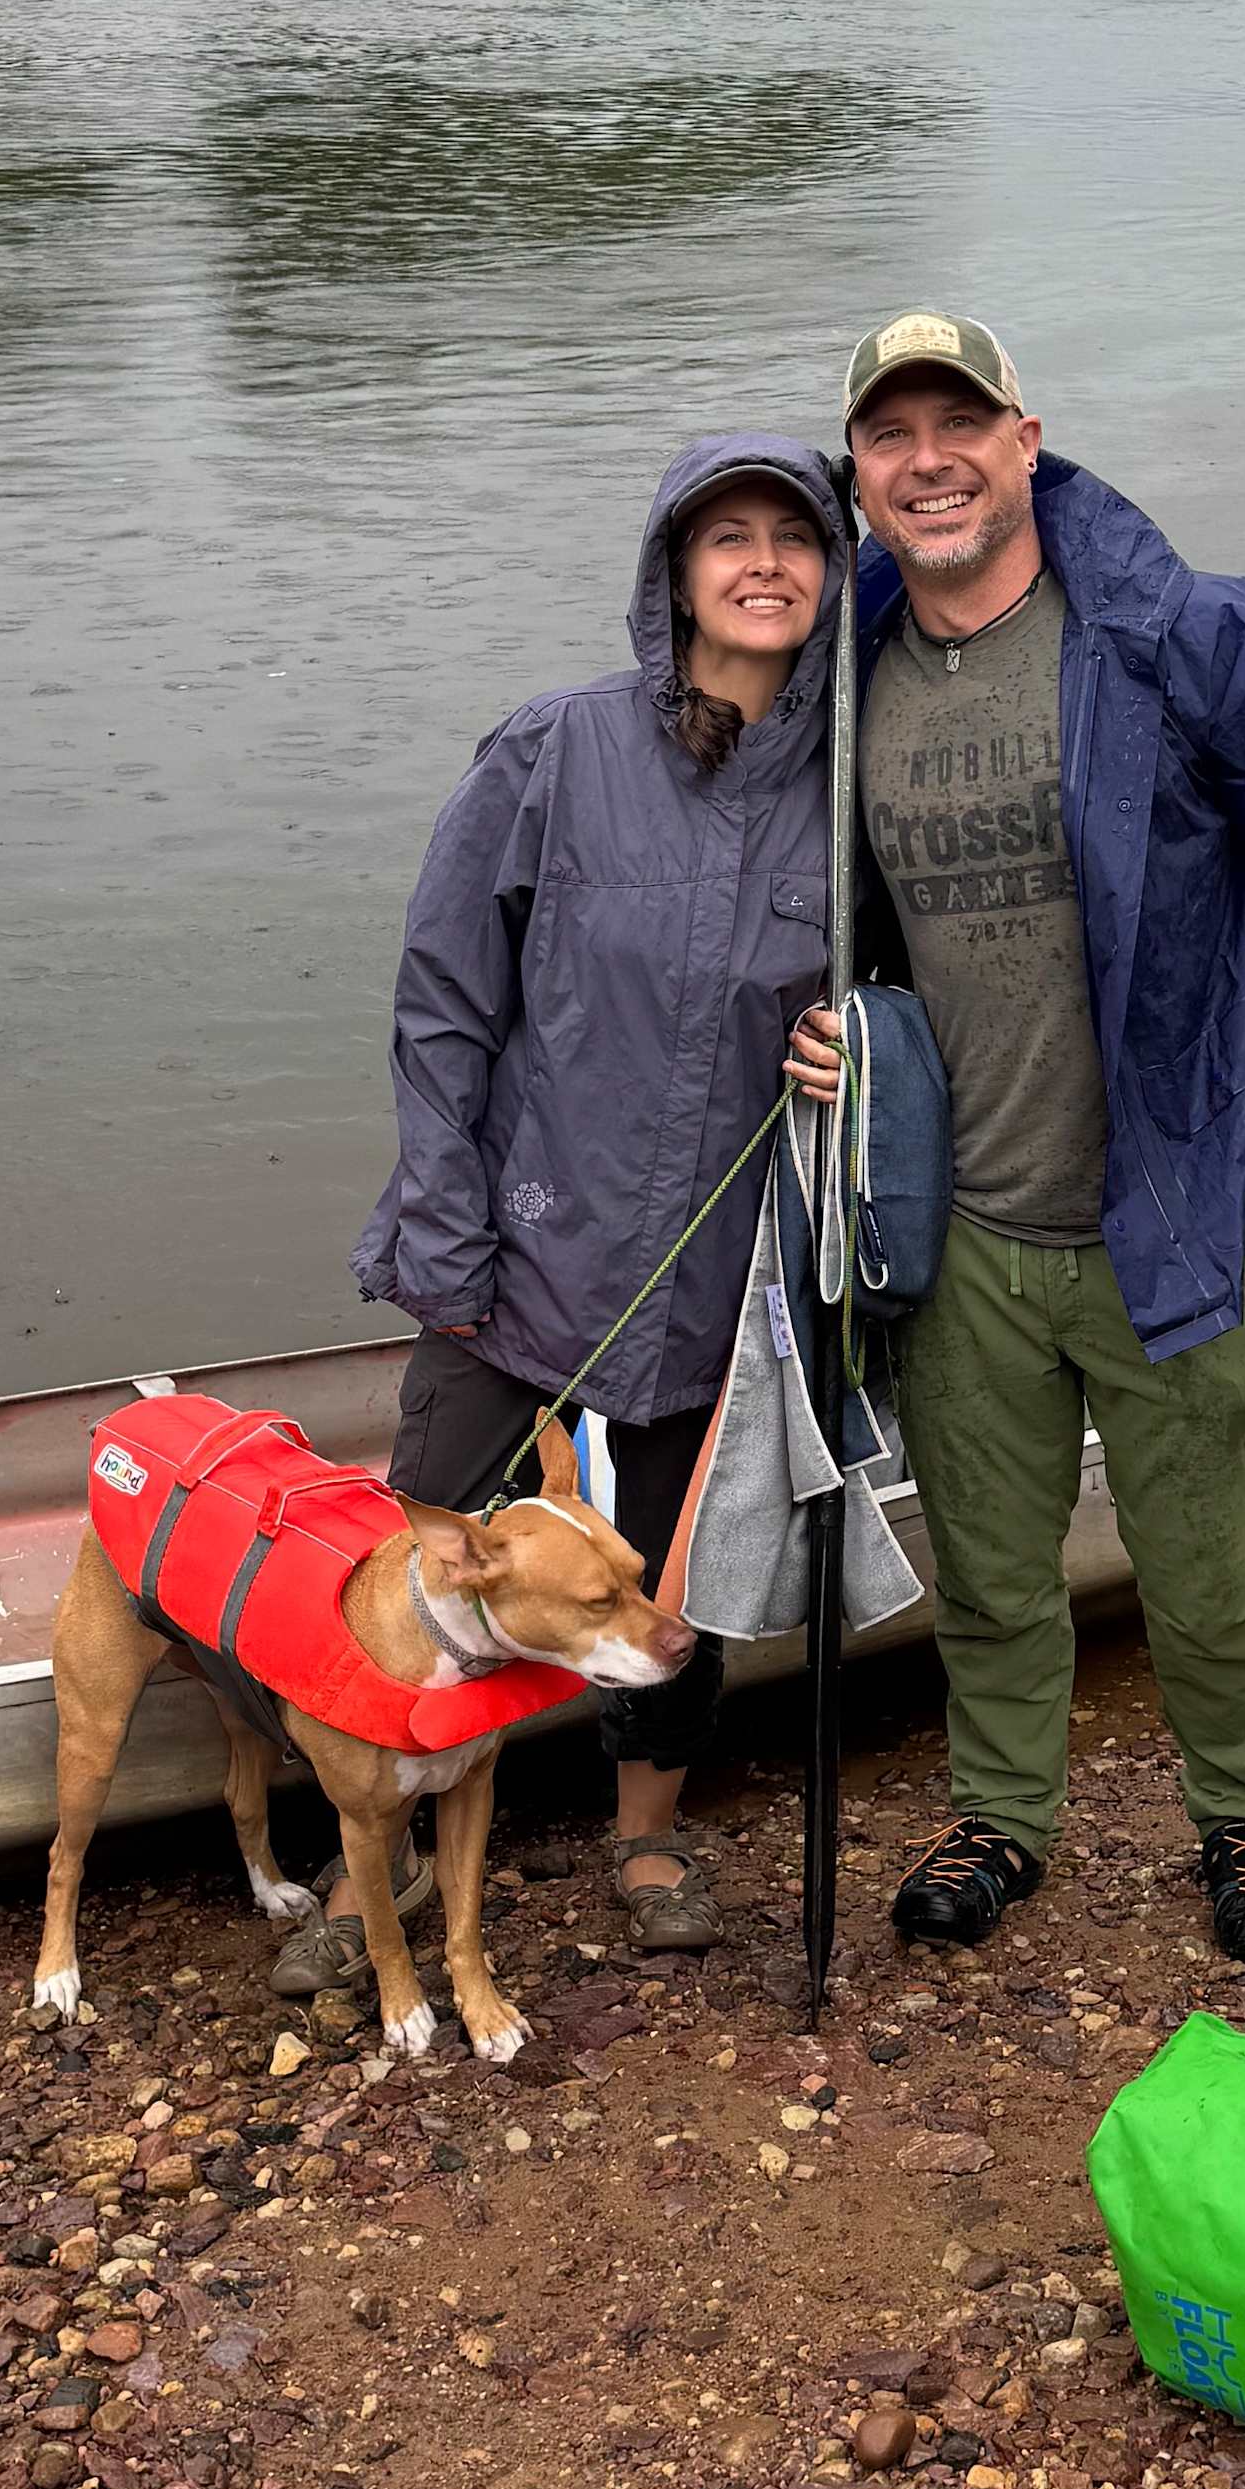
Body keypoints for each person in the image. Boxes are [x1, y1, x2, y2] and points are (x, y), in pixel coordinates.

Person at [793, 315, 1245, 1961]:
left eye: (957, 424)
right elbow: (769, 884)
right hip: (954, 1226)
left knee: (1208, 1571)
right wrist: (814, 1020)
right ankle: (1002, 1814)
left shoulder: (1178, 634)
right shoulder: (846, 668)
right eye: (891, 437)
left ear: (1026, 440)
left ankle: (1242, 1822)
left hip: (1169, 1209)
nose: (929, 460)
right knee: (986, 1569)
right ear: (861, 477)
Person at [349, 434, 843, 1959]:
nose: (762, 564)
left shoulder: (857, 788)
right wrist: (447, 1221)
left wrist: (861, 1043)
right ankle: (391, 1855)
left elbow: (912, 1005)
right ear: (675, 576)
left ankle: (646, 1843)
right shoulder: (555, 750)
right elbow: (443, 996)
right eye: (727, 540)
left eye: (795, 538)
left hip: (722, 1276)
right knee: (421, 1553)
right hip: (520, 1249)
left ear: (835, 573)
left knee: (676, 1579)